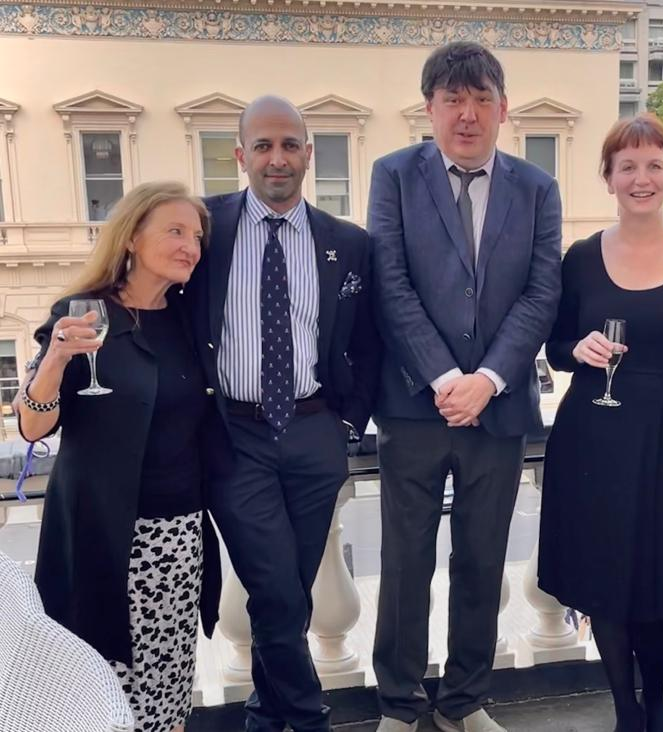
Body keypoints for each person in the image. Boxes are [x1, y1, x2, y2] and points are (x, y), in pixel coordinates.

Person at [368, 41, 562, 732]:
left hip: (500, 409)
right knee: (405, 561)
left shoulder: (537, 188)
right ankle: (398, 701)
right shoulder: (392, 175)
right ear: (430, 109)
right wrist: (447, 377)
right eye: (454, 99)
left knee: (481, 559)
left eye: (482, 99)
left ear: (503, 109)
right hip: (414, 408)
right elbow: (390, 286)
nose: (468, 114)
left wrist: (487, 379)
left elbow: (542, 294)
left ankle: (464, 699)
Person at [187, 95, 381, 732]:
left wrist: (346, 425)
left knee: (291, 594)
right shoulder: (202, 228)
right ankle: (307, 718)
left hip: (313, 432)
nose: (277, 159)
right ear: (240, 155)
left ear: (308, 154)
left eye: (289, 145)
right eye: (263, 146)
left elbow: (368, 344)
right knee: (273, 589)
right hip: (234, 435)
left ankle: (266, 716)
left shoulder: (347, 244)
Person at [537, 113, 663, 732]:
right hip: (593, 433)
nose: (641, 178)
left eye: (654, 165)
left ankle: (654, 701)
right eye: (627, 167)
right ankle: (625, 709)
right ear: (609, 178)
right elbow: (556, 345)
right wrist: (580, 348)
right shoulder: (582, 257)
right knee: (605, 576)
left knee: (656, 573)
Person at [16, 181, 221, 732]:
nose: (190, 246)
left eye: (196, 236)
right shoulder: (81, 315)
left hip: (178, 536)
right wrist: (55, 360)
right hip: (104, 535)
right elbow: (35, 423)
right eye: (175, 231)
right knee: (104, 688)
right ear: (131, 236)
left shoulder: (187, 320)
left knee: (171, 685)